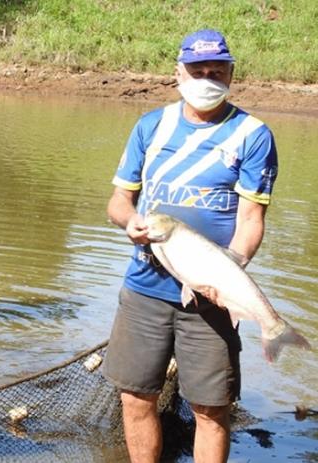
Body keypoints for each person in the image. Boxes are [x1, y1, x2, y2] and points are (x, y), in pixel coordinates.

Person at [103, 29, 278, 463]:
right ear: (178, 73)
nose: (207, 78)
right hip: (144, 289)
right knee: (136, 398)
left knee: (211, 408)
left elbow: (252, 220)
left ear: (231, 75)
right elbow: (119, 202)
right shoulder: (151, 125)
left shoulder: (253, 135)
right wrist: (130, 223)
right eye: (197, 70)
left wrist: (228, 272)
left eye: (216, 71)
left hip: (212, 300)